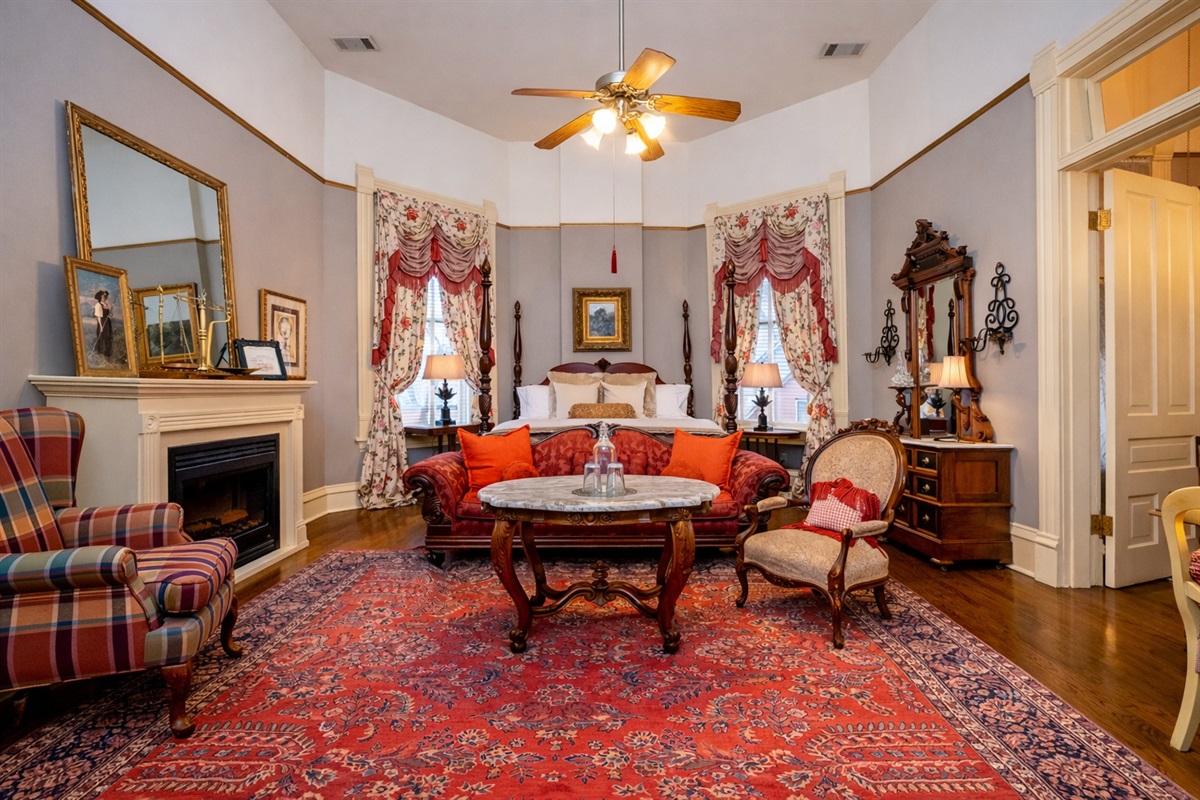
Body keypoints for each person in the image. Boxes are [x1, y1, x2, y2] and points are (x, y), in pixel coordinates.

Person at [93, 289, 113, 359]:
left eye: (105, 296)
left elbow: (109, 315)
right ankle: (101, 351)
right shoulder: (98, 305)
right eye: (103, 296)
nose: (105, 298)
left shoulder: (107, 305)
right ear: (100, 297)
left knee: (108, 335)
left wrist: (110, 314)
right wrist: (101, 326)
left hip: (107, 322)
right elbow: (98, 317)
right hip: (102, 321)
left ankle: (108, 351)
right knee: (102, 336)